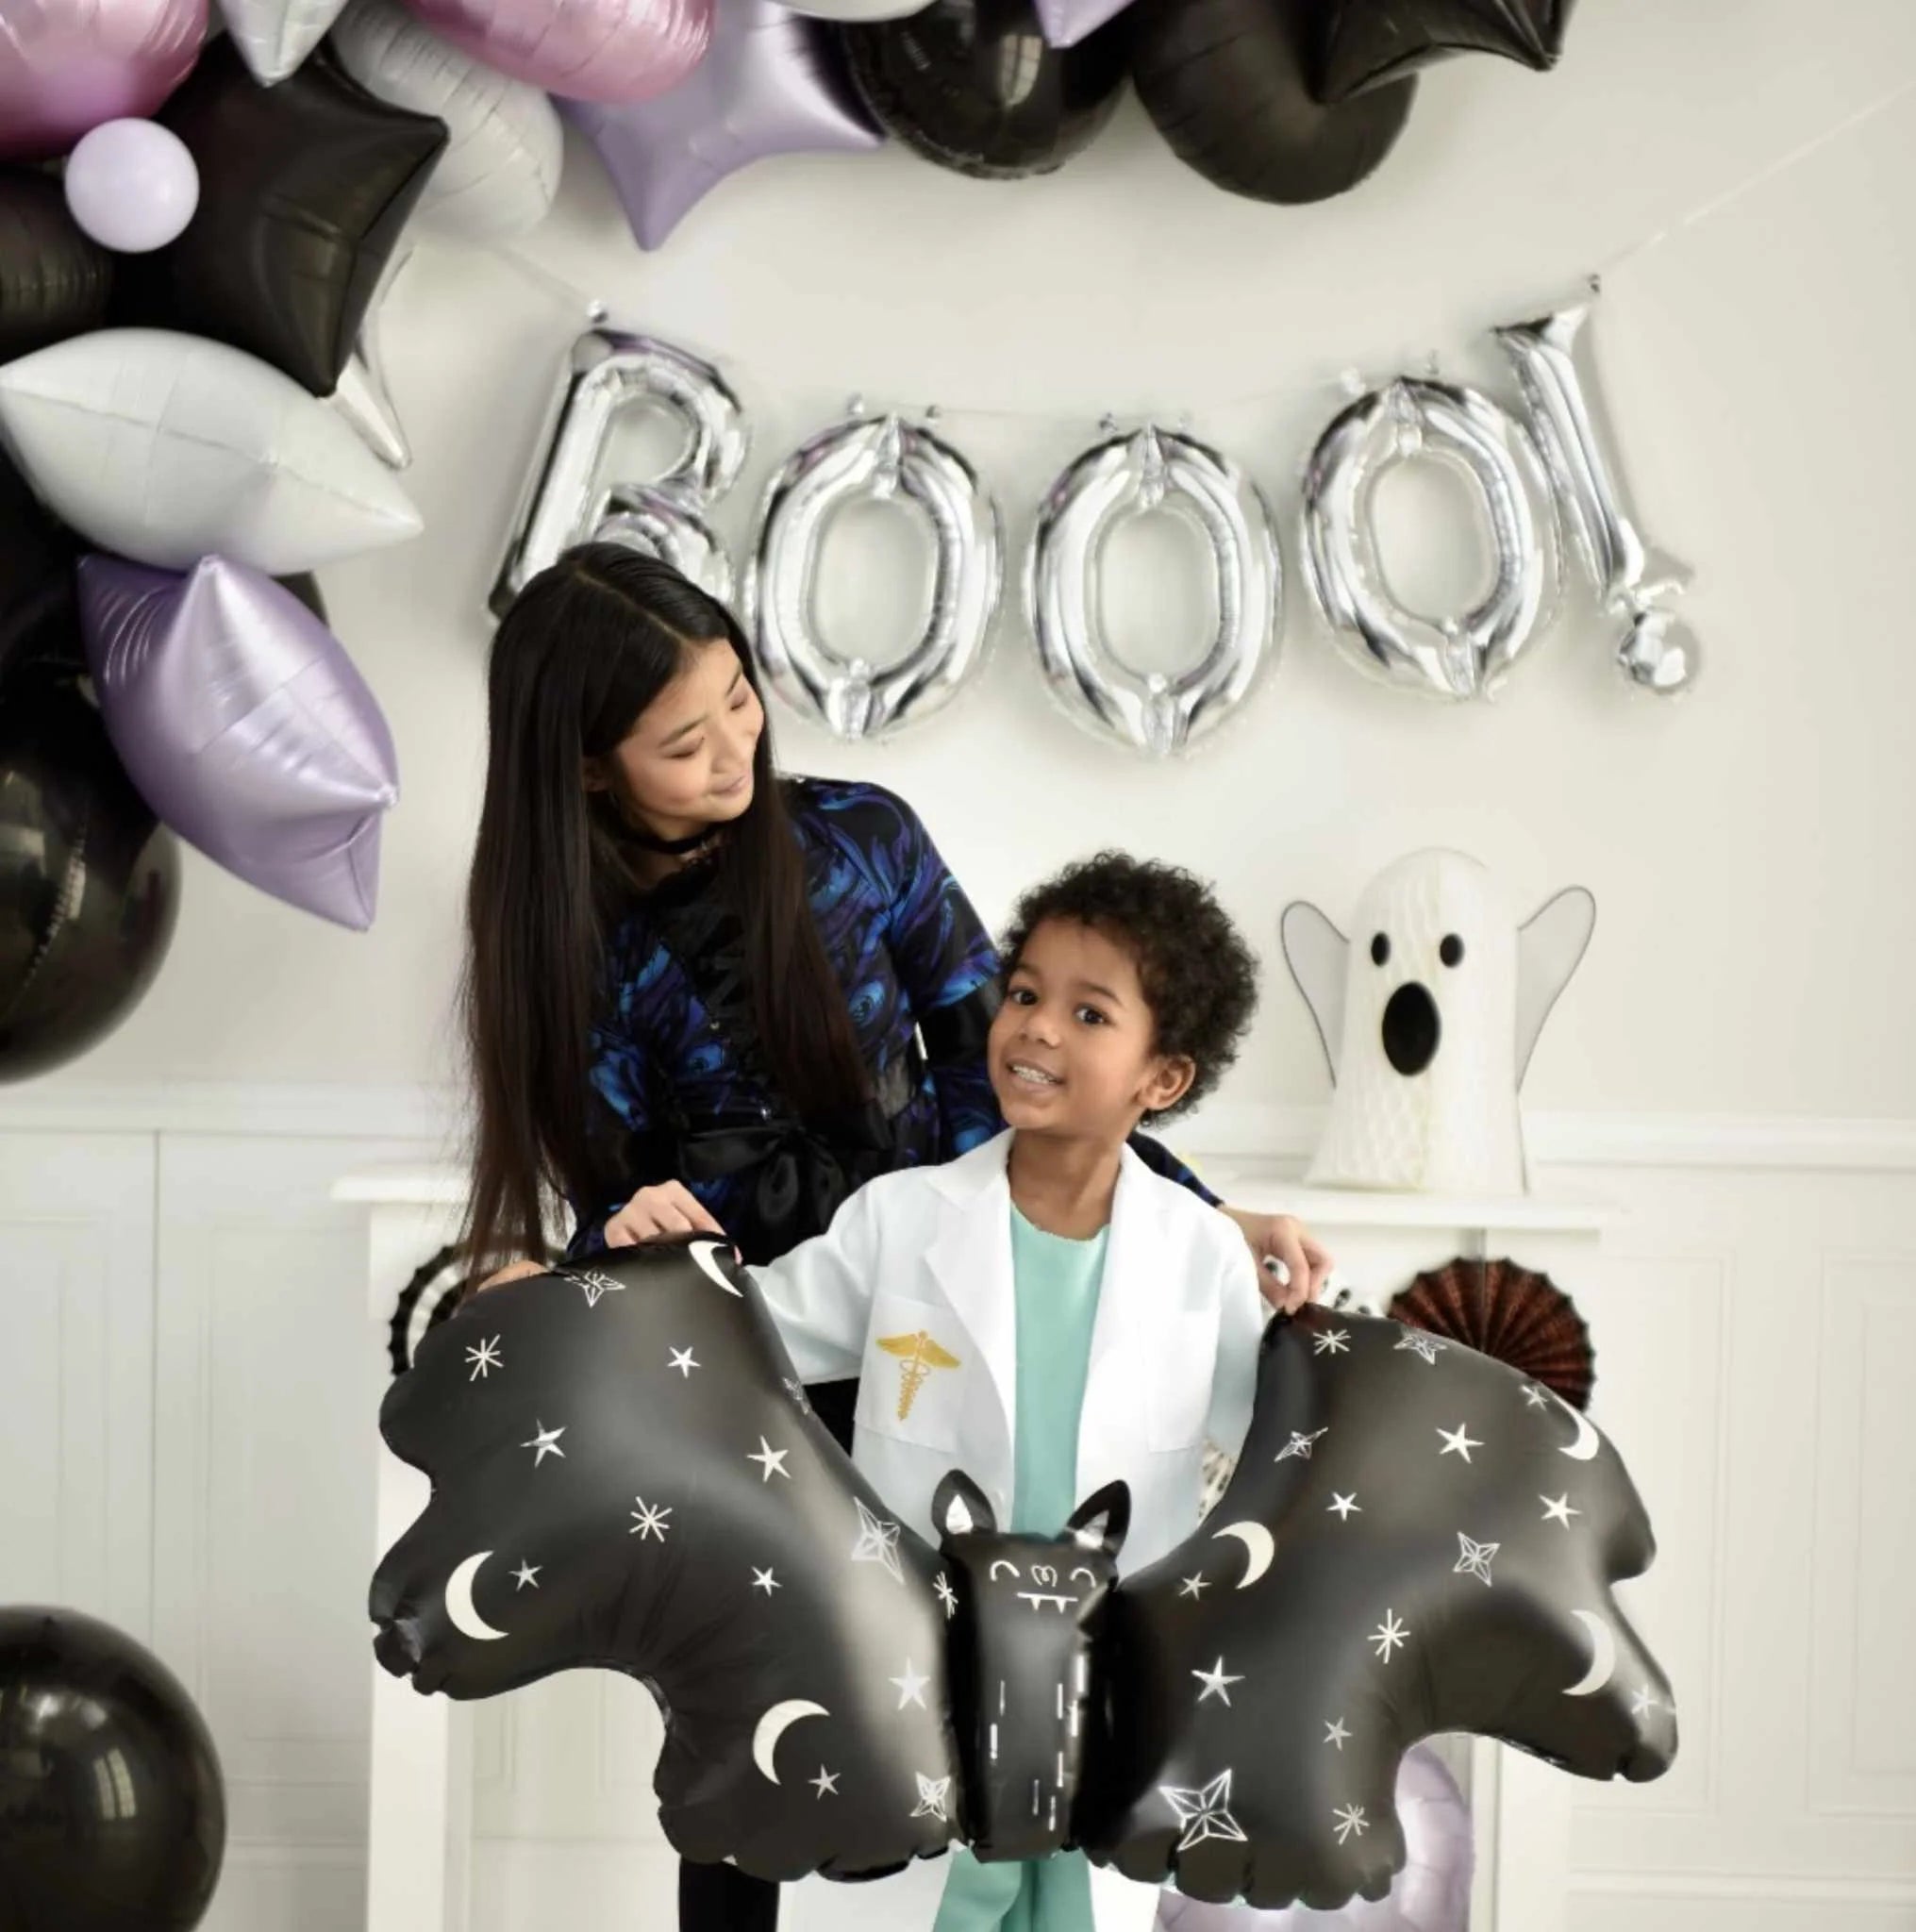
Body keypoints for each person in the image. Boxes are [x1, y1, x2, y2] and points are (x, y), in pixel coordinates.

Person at [458, 544, 1332, 1932]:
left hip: (933, 1317)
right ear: (582, 768)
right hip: (746, 1360)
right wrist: (618, 1223)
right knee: (749, 1732)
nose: (735, 747)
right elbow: (610, 1192)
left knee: (967, 1738)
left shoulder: (860, 840)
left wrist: (1204, 1211)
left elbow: (1034, 1076)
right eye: (684, 741)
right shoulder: (564, 941)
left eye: (740, 699)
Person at [744, 851, 1272, 1932]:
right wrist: (638, 1261)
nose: (1032, 1027)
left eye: (1087, 1012)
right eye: (1024, 992)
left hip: (1104, 1693)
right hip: (922, 1685)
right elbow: (744, 1336)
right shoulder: (900, 1221)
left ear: (1158, 1078)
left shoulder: (1199, 1254)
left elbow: (1275, 1447)